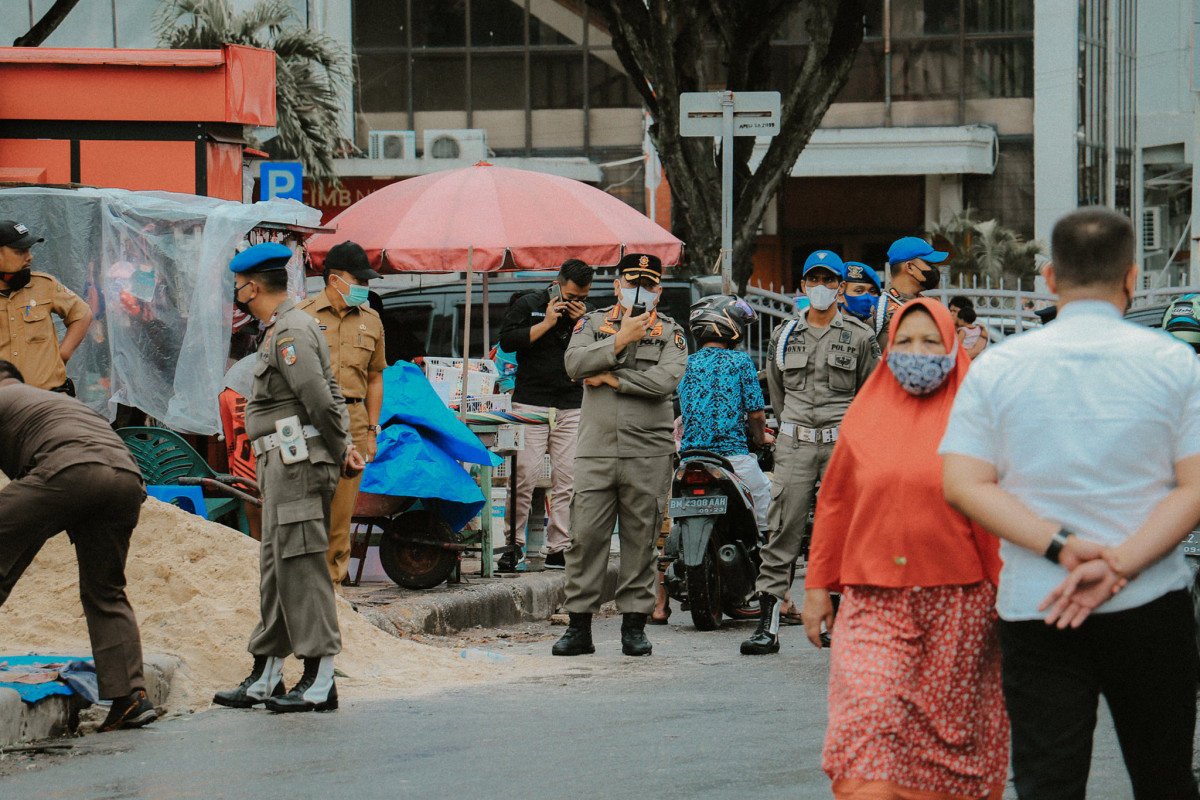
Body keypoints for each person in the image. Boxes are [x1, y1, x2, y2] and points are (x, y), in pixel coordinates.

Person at [941, 207, 1200, 800]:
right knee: (1164, 780)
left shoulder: (999, 368)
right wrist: (1118, 564)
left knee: (1047, 783)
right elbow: (1195, 487)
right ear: (1132, 278)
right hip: (1149, 600)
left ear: (1050, 277)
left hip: (1038, 603)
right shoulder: (1174, 363)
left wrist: (1062, 547)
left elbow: (963, 483)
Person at [801, 299, 1007, 799]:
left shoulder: (979, 417)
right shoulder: (863, 416)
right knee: (870, 717)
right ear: (888, 347)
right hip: (873, 601)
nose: (917, 353)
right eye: (906, 341)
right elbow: (834, 504)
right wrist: (816, 586)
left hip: (960, 603)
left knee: (947, 737)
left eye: (931, 342)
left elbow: (1000, 513)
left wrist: (1010, 594)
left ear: (953, 345)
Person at [214, 242, 365, 714]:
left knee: (301, 566)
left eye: (239, 287)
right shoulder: (281, 327)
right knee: (278, 569)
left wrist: (343, 448)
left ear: (251, 287)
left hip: (297, 463)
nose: (236, 294)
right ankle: (267, 672)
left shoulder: (290, 331)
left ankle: (319, 676)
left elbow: (320, 397)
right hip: (281, 463)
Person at [0, 359, 157, 732]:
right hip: (126, 478)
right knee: (106, 591)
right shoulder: (46, 403)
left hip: (67, 470)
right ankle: (130, 698)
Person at [741, 250, 880, 655]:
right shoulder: (784, 335)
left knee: (845, 532)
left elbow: (870, 393)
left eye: (830, 280)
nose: (821, 287)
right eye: (813, 279)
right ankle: (768, 625)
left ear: (839, 287)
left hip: (842, 444)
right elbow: (779, 395)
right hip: (796, 443)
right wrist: (790, 431)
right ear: (803, 285)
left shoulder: (859, 335)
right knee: (782, 529)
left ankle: (840, 621)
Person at [552, 253, 686, 657]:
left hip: (648, 452)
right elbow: (574, 364)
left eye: (648, 284)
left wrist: (611, 377)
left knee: (641, 539)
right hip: (595, 451)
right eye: (632, 282)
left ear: (658, 290)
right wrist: (621, 340)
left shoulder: (671, 332)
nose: (639, 291)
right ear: (616, 285)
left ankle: (634, 626)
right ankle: (579, 627)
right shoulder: (592, 324)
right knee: (585, 538)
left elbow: (666, 381)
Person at [667, 294, 773, 622]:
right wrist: (762, 438)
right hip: (732, 458)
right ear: (728, 325)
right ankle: (774, 592)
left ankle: (661, 603)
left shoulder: (685, 363)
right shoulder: (740, 363)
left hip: (690, 458)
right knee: (770, 516)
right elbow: (756, 414)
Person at [297, 241, 386, 590]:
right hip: (310, 420)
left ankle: (332, 586)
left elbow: (376, 376)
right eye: (358, 280)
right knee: (309, 507)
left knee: (341, 513)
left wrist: (372, 431)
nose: (364, 288)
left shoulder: (372, 320)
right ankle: (305, 586)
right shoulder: (301, 316)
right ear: (334, 280)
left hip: (353, 421)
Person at [498, 260, 593, 571]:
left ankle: (559, 547)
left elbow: (597, 352)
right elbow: (508, 341)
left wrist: (581, 324)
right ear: (557, 283)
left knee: (568, 479)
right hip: (531, 402)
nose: (575, 302)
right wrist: (547, 323)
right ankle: (513, 546)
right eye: (571, 295)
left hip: (572, 402)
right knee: (523, 475)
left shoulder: (587, 315)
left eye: (582, 297)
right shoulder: (530, 304)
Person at [0, 220, 93, 393]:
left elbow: (82, 314)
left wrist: (62, 356)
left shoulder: (44, 285)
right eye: (20, 251)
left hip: (46, 399)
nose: (29, 257)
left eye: (29, 250)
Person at [877, 236, 948, 346]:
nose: (933, 270)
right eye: (928, 264)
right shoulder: (878, 308)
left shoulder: (929, 304)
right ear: (910, 267)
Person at [838, 260, 884, 337]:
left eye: (872, 291)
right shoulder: (828, 328)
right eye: (859, 291)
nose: (867, 298)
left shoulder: (883, 329)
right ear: (840, 295)